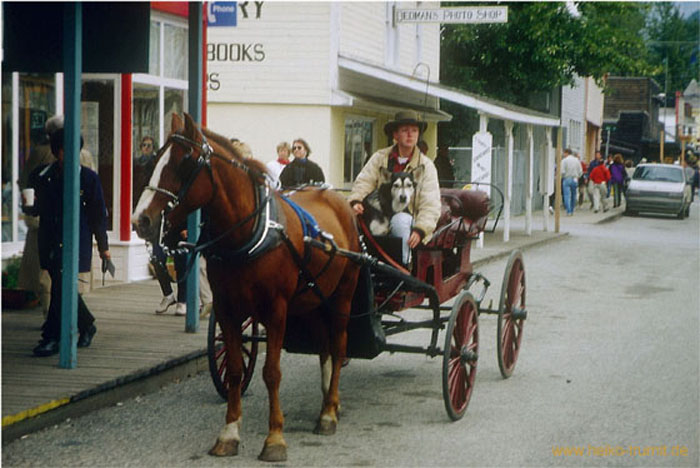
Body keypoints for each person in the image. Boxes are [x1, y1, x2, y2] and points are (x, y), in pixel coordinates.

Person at [23, 125, 110, 357]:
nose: (66, 155)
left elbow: (98, 215)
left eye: (72, 149)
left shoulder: (88, 178)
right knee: (63, 285)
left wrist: (104, 248)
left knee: (62, 285)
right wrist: (28, 205)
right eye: (62, 149)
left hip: (75, 239)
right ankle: (87, 324)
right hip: (50, 239)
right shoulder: (42, 175)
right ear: (56, 150)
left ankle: (51, 337)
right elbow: (34, 208)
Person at [348, 110, 441, 265]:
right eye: (405, 130)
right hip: (379, 213)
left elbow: (430, 204)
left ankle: (402, 267)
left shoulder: (426, 166)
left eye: (414, 131)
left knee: (400, 221)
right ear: (395, 135)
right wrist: (356, 201)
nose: (410, 135)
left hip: (409, 218)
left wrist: (420, 229)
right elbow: (364, 181)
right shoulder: (380, 158)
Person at [17, 116, 59, 317]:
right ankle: (66, 314)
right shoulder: (82, 154)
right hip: (69, 222)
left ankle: (50, 313)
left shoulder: (39, 153)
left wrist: (28, 207)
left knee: (45, 271)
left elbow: (26, 183)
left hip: (42, 220)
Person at [133, 136, 157, 209]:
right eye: (144, 145)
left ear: (153, 148)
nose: (146, 147)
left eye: (149, 145)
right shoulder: (135, 162)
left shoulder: (155, 162)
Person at [560, 148, 583, 216]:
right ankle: (572, 209)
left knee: (566, 195)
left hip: (567, 178)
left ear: (566, 153)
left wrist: (563, 176)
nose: (563, 154)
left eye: (564, 153)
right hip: (575, 179)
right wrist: (577, 176)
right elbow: (580, 171)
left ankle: (568, 210)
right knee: (574, 195)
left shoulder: (564, 161)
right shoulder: (577, 160)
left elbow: (562, 171)